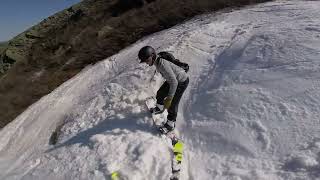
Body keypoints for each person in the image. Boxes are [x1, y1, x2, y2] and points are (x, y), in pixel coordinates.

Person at [138, 46, 189, 133]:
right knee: (160, 93)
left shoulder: (162, 64)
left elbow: (174, 82)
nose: (146, 63)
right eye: (145, 61)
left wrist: (169, 98)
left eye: (147, 60)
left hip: (181, 82)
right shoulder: (157, 61)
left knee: (173, 104)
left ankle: (170, 124)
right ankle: (159, 107)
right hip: (173, 80)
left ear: (153, 56)